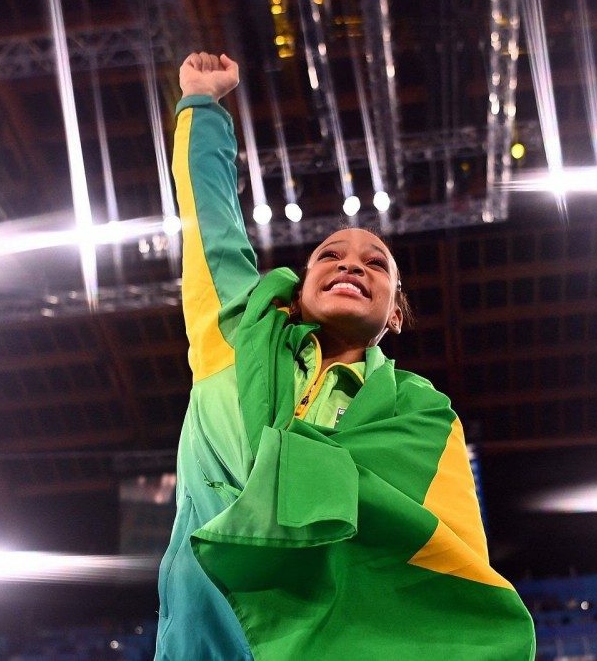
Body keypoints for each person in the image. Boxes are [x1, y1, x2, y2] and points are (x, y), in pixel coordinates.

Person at [155, 52, 534, 660]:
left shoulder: (422, 418)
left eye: (376, 263)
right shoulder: (231, 336)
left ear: (395, 314)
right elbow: (212, 226)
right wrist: (201, 103)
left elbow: (445, 554)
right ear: (297, 293)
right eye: (330, 255)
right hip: (211, 630)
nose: (352, 262)